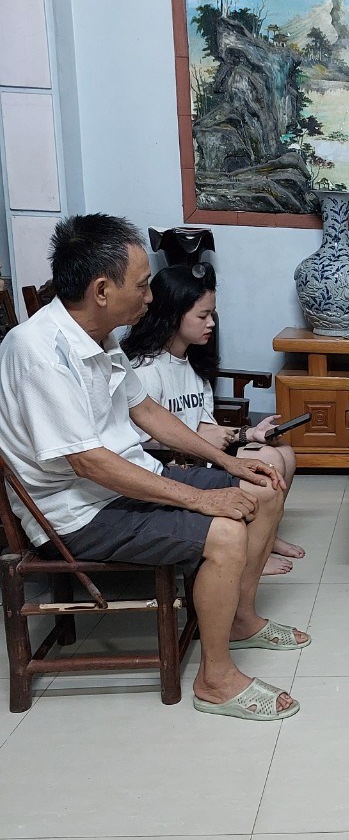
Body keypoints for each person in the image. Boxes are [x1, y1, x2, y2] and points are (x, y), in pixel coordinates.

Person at [0, 214, 310, 721]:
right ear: (102, 290)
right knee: (225, 530)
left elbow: (145, 411)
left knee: (264, 485)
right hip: (76, 513)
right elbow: (88, 462)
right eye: (142, 285)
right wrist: (202, 498)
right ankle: (215, 680)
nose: (150, 297)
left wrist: (227, 461)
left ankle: (239, 619)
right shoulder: (38, 351)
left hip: (125, 483)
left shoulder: (100, 337)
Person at [121, 263, 304, 576]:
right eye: (202, 316)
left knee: (284, 452)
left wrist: (250, 434)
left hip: (200, 454)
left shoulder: (190, 362)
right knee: (271, 461)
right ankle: (251, 554)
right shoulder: (147, 371)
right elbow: (144, 442)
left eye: (212, 314)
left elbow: (204, 426)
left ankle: (265, 536)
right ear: (173, 315)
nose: (211, 323)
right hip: (174, 465)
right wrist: (224, 441)